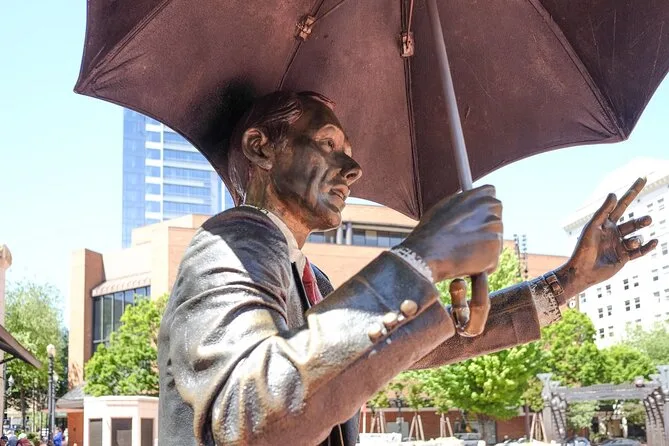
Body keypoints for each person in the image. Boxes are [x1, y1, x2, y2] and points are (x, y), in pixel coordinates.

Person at [157, 91, 655, 446]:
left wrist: (569, 281)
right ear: (261, 148)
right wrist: (421, 257)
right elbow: (246, 416)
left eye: (348, 152)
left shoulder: (311, 278)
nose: (352, 169)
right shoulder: (229, 244)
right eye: (328, 143)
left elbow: (406, 348)